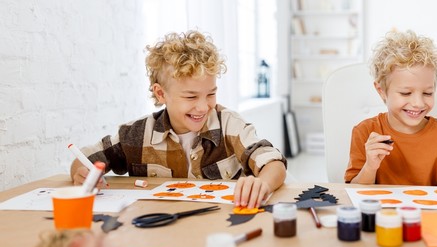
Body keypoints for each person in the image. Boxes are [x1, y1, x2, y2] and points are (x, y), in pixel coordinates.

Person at [70, 30, 287, 208]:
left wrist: (263, 184)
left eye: (210, 94)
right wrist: (82, 174)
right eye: (191, 96)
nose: (203, 106)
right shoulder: (135, 135)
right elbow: (84, 160)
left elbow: (273, 163)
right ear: (161, 93)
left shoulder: (229, 124)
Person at [344, 30, 437, 186]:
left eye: (428, 93)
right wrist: (370, 167)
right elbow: (353, 191)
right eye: (406, 93)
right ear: (382, 91)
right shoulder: (365, 132)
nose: (418, 103)